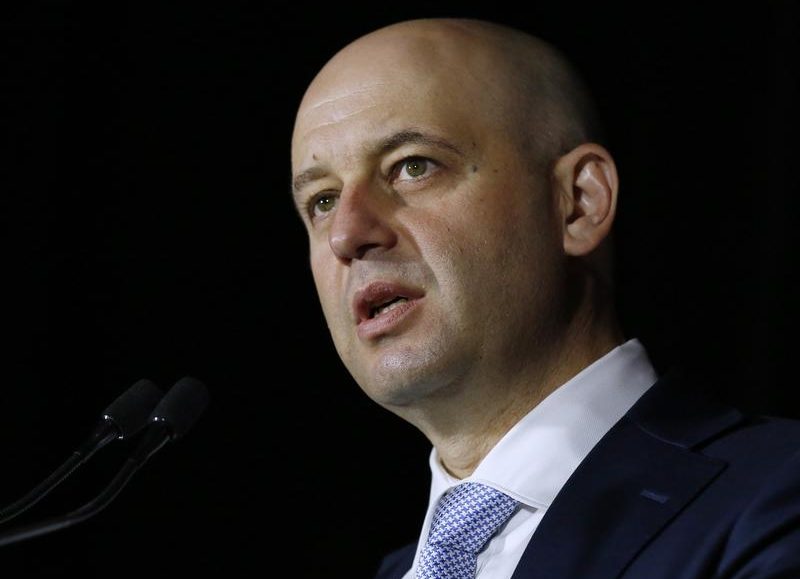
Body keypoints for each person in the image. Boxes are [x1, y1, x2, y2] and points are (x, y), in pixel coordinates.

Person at [289, 17, 800, 579]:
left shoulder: (775, 499)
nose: (346, 234)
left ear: (578, 202)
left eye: (412, 167)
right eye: (322, 201)